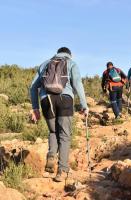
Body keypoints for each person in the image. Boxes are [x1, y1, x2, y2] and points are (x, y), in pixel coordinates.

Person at [30, 47, 89, 182]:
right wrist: (84, 106)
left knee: (53, 131)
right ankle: (62, 170)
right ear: (70, 54)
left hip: (46, 100)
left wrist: (35, 108)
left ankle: (51, 155)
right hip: (65, 99)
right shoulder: (71, 63)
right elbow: (78, 84)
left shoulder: (45, 64)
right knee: (65, 135)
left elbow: (33, 87)